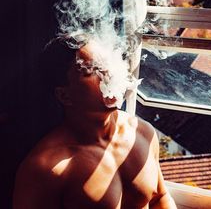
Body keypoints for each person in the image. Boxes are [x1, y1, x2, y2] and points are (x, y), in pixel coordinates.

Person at [13, 36, 177, 209]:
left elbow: (160, 198)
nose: (106, 75)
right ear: (64, 95)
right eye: (90, 71)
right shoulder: (45, 168)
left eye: (106, 65)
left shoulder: (142, 133)